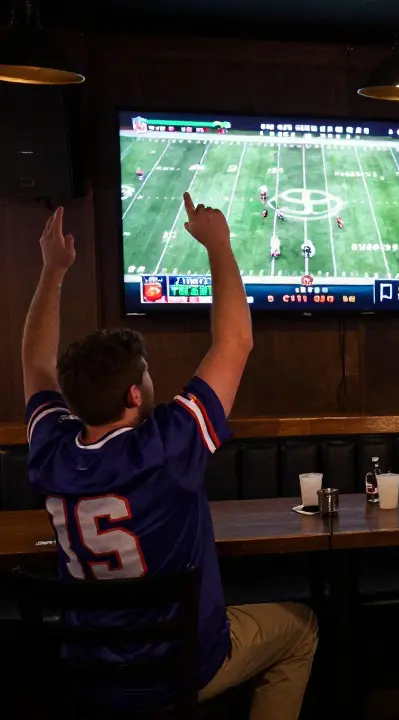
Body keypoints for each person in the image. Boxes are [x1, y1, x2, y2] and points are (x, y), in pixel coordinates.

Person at [22, 197, 317, 719]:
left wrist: (52, 273)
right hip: (182, 668)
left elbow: (35, 363)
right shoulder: (167, 446)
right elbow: (236, 341)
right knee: (301, 630)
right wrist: (218, 245)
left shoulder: (51, 450)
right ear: (135, 395)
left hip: (89, 674)